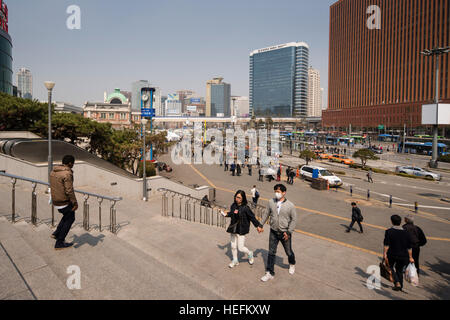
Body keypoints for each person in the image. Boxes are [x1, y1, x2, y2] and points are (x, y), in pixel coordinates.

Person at [260, 184, 297, 282]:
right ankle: (269, 272)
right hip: (273, 231)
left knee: (289, 252)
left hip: (285, 233)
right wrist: (261, 225)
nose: (277, 193)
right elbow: (266, 214)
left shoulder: (290, 205)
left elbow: (294, 220)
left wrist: (288, 232)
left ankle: (292, 264)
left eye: (279, 191)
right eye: (275, 191)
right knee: (271, 252)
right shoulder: (271, 202)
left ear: (284, 193)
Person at [220, 190, 263, 268]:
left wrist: (258, 226)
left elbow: (252, 217)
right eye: (236, 197)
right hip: (233, 228)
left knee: (241, 248)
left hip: (241, 229)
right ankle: (235, 260)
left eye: (239, 198)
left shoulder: (246, 208)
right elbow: (232, 213)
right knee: (233, 246)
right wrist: (226, 214)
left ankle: (250, 253)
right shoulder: (233, 205)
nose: (237, 199)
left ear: (243, 198)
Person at [50, 155, 78, 250]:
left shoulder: (54, 171)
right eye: (73, 163)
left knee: (67, 216)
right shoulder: (67, 174)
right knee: (70, 218)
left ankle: (56, 233)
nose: (73, 165)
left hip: (55, 200)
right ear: (70, 163)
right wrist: (75, 203)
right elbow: (69, 190)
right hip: (63, 201)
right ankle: (59, 242)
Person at [383, 215, 415, 291]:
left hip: (392, 254)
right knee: (399, 270)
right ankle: (400, 286)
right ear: (400, 222)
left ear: (391, 221)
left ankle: (397, 282)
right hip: (403, 255)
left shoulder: (389, 231)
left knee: (390, 267)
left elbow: (386, 244)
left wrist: (385, 254)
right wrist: (410, 257)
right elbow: (409, 247)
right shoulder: (406, 233)